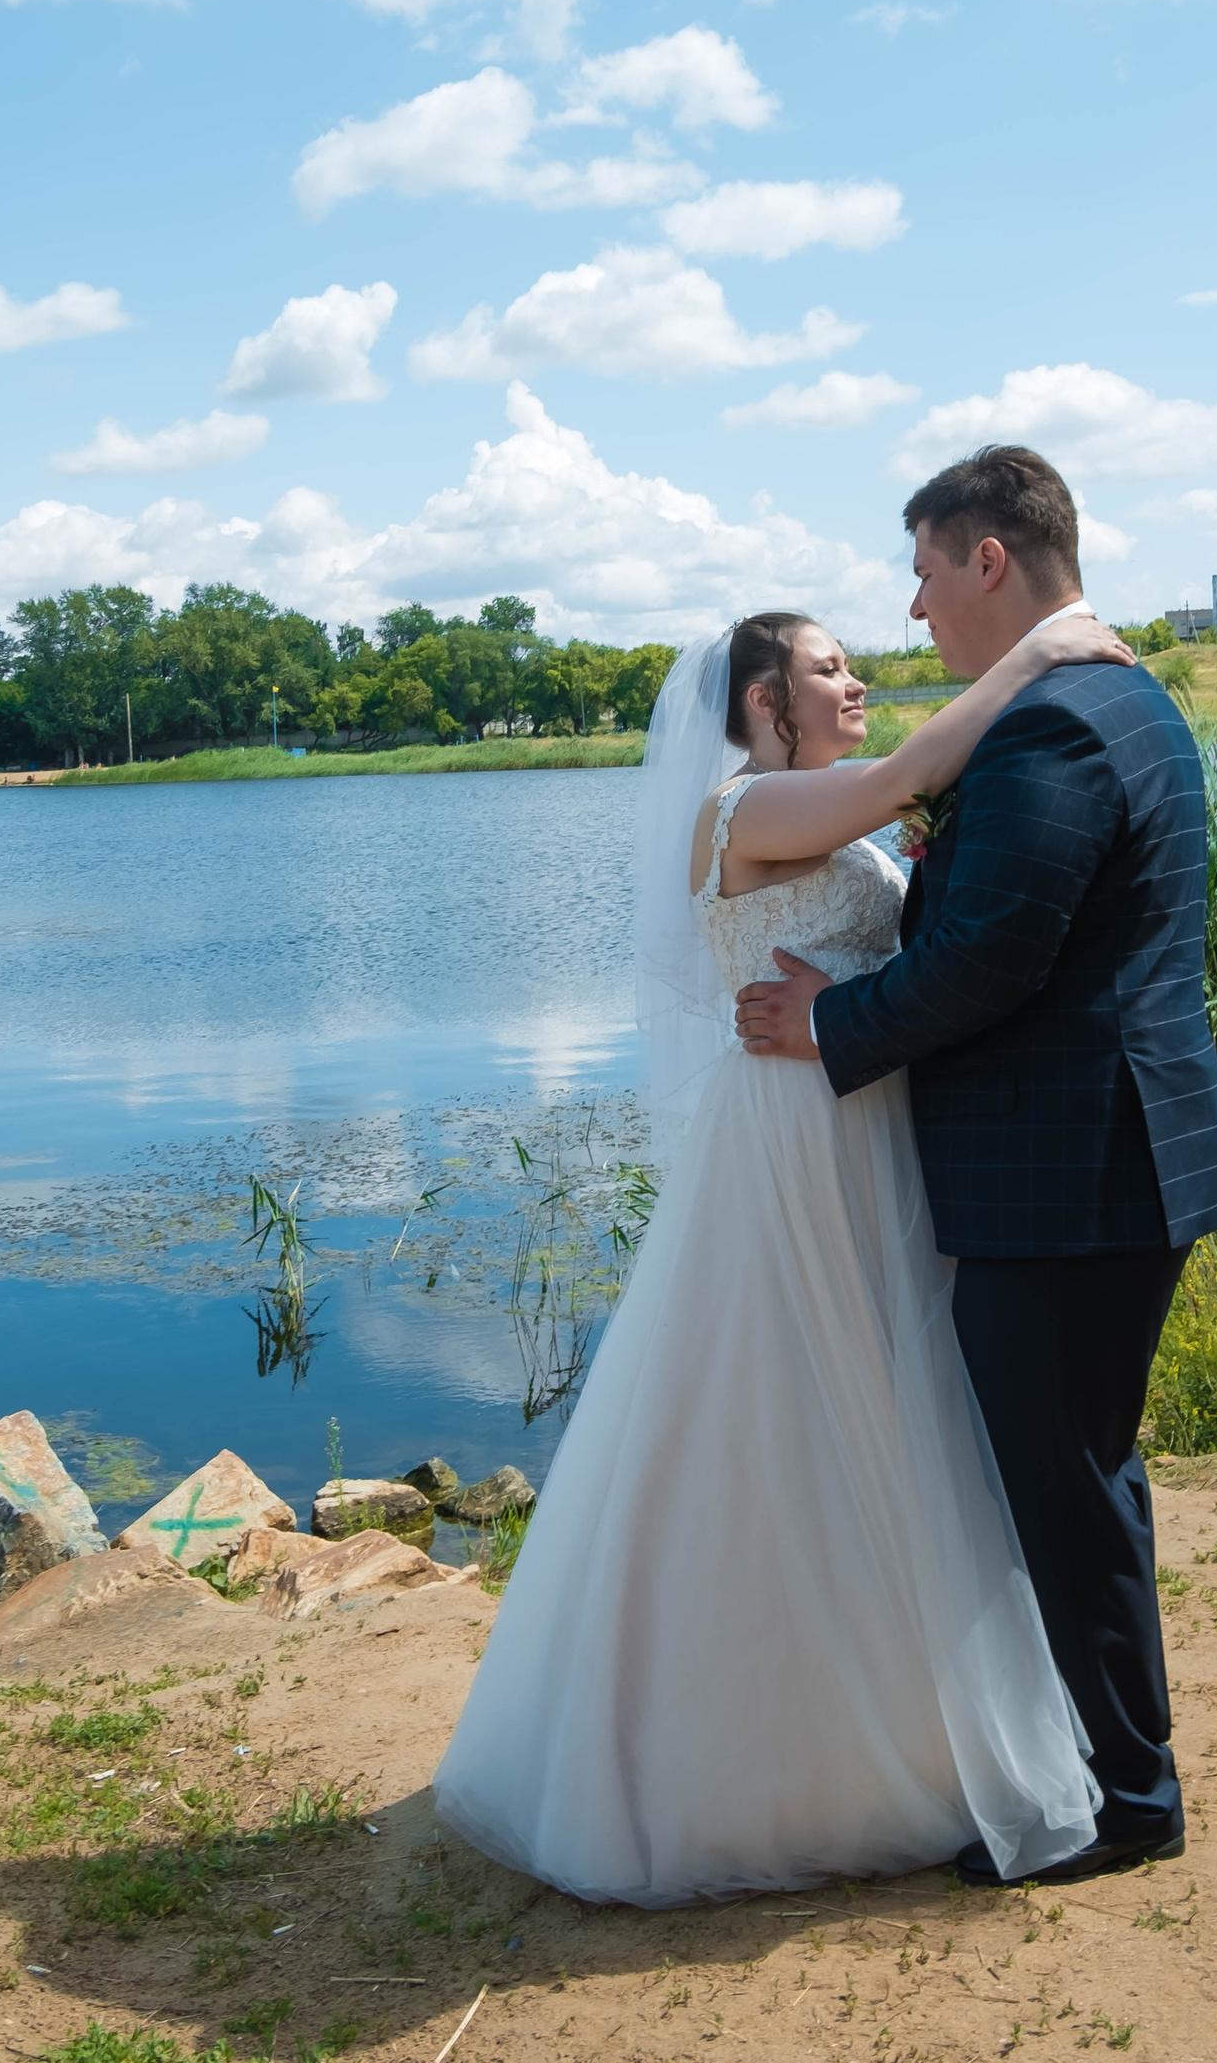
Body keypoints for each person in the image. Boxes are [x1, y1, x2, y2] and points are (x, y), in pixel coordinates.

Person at [431, 596, 1133, 1907]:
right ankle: (751, 1761)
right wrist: (1034, 652)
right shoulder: (746, 812)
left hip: (869, 1137)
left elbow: (905, 834)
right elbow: (920, 769)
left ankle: (913, 1721)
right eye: (827, 669)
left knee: (892, 1415)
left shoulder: (830, 809)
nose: (855, 681)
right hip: (794, 1149)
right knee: (779, 1423)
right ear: (763, 707)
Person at [734, 445, 1217, 1886]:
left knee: (1065, 1485)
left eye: (923, 573)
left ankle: (1130, 1803)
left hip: (1071, 1176)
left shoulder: (1055, 733)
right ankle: (1112, 1770)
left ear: (990, 563)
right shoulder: (1113, 700)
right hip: (1103, 1163)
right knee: (1085, 1475)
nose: (914, 610)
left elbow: (992, 962)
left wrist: (831, 1020)